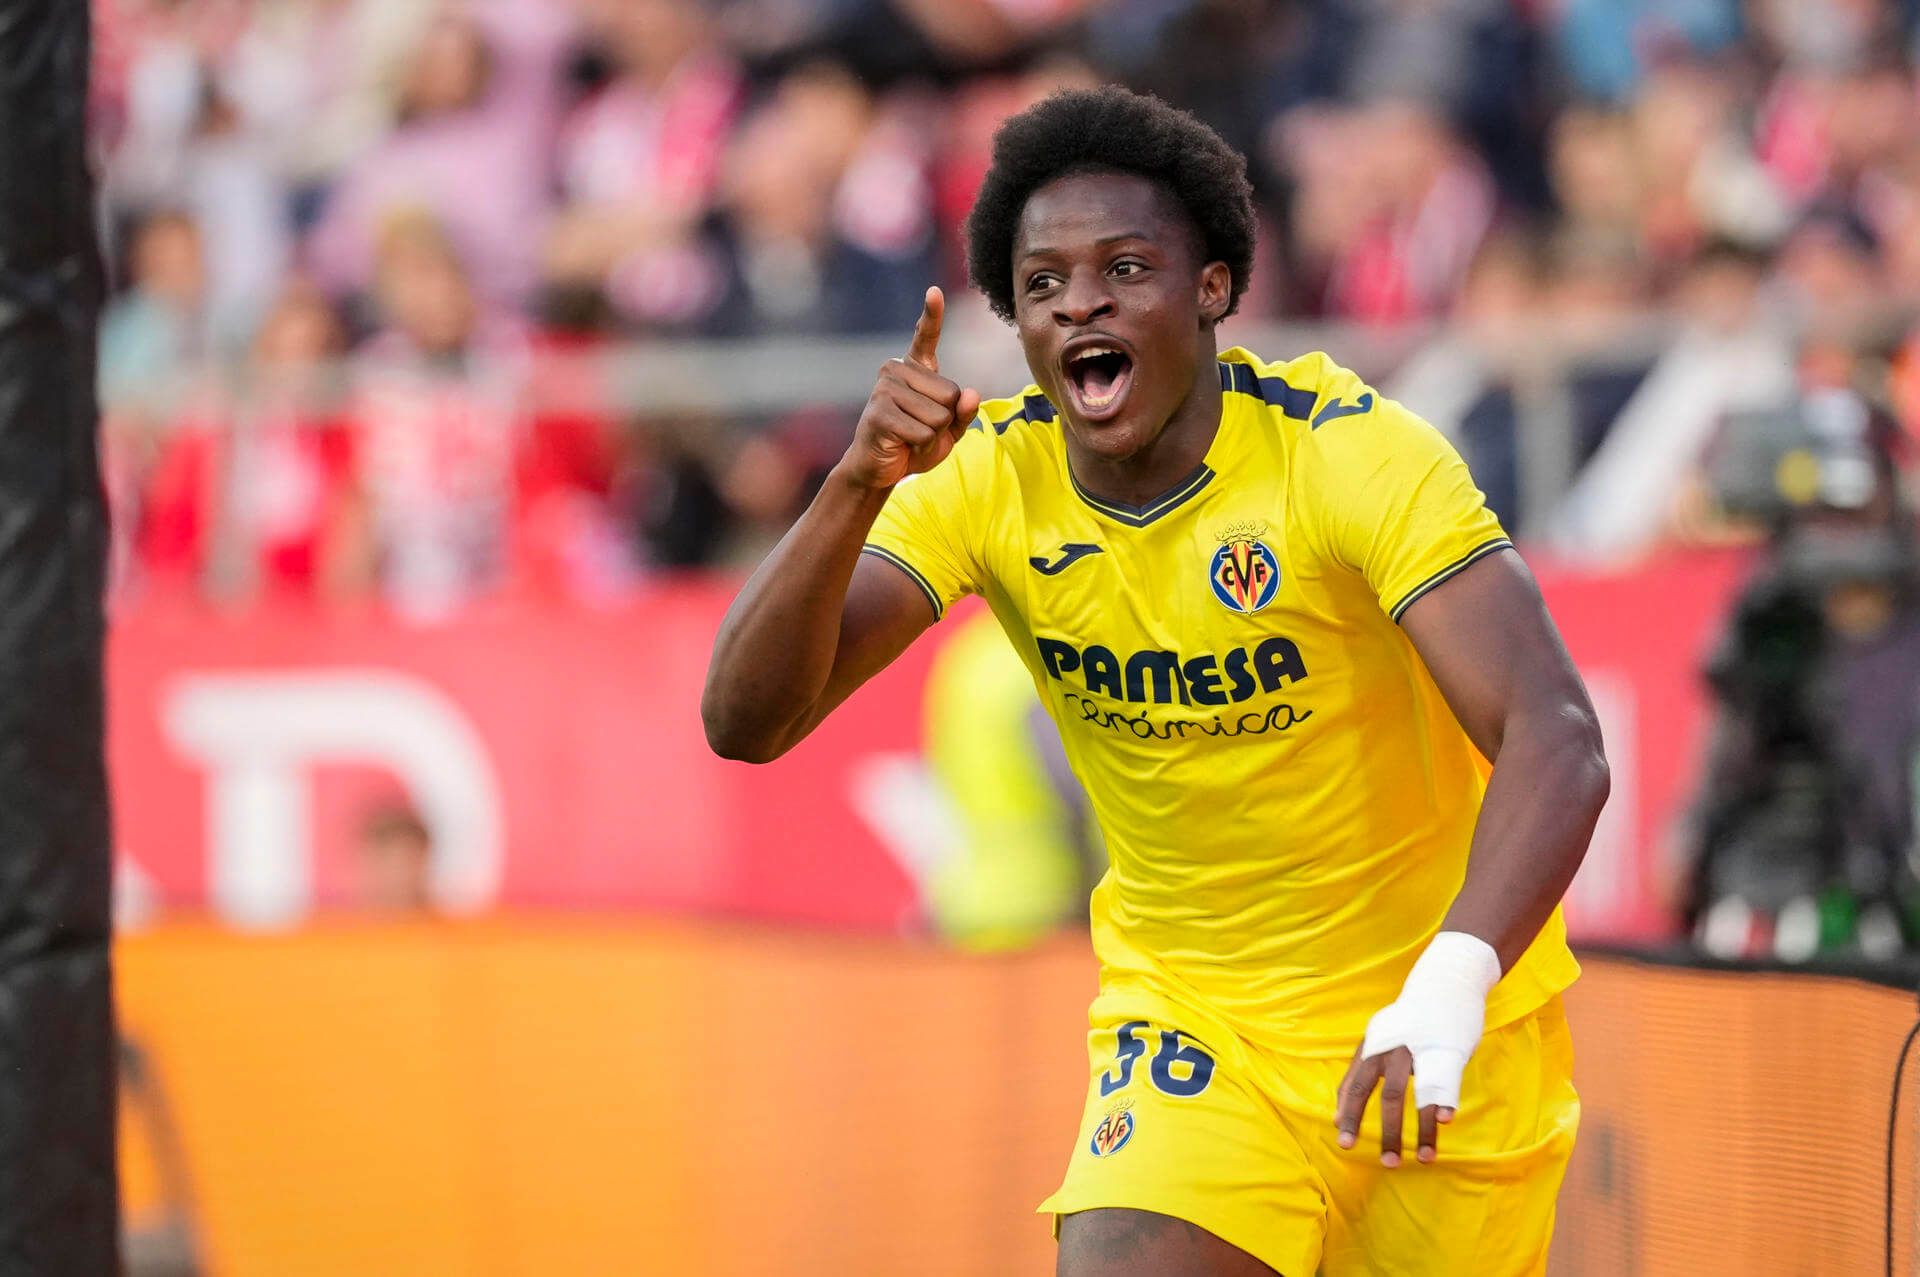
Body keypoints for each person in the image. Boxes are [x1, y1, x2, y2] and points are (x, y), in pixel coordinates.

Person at [703, 87, 1608, 1277]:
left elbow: (1558, 735)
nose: (1081, 299)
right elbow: (746, 719)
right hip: (1195, 1029)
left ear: (1214, 288)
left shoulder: (1351, 455)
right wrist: (855, 483)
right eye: (1043, 283)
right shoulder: (986, 478)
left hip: (1431, 1024)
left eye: (1126, 267)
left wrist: (1451, 979)